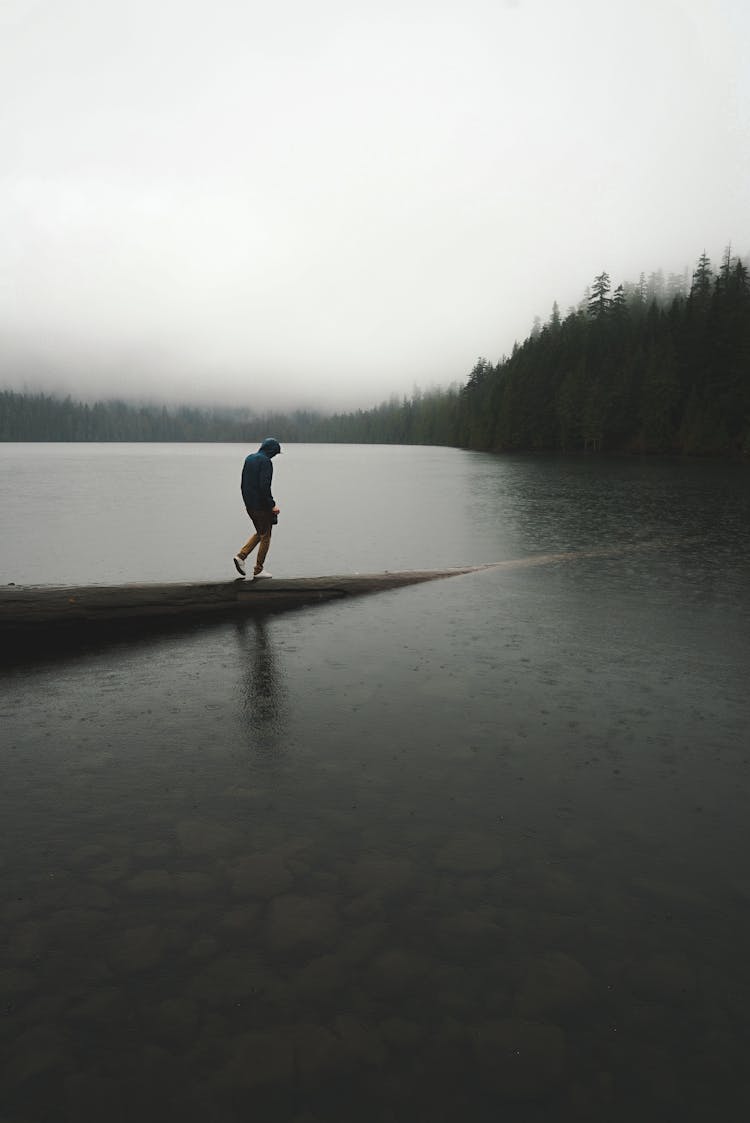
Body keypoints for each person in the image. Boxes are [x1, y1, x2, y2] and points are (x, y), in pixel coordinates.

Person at [233, 438, 282, 579]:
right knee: (266, 535)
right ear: (271, 451)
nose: (275, 456)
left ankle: (241, 557)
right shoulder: (266, 462)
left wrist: (248, 503)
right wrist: (272, 505)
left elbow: (243, 484)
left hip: (249, 505)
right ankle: (258, 570)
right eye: (275, 453)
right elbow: (264, 486)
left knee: (261, 532)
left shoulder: (249, 458)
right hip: (261, 506)